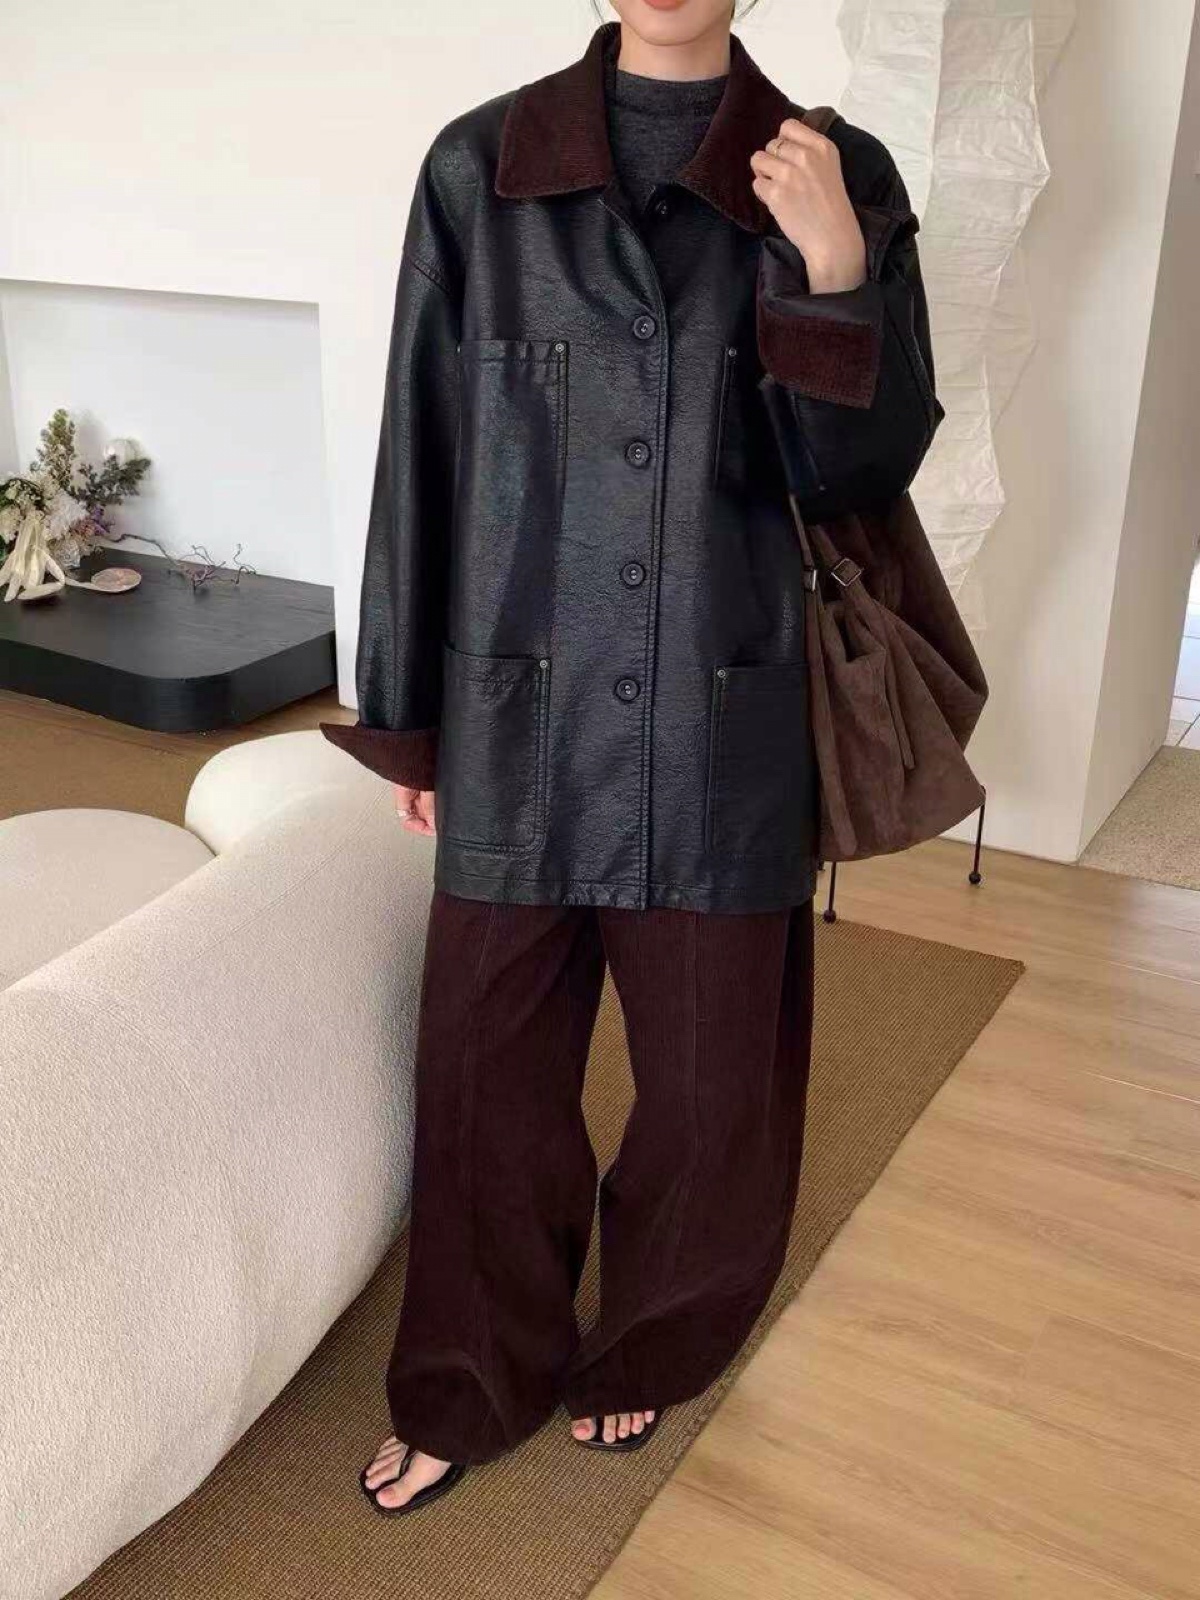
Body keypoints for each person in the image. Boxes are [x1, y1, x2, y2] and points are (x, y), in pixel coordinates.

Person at [320, 0, 941, 1516]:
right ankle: (469, 1375)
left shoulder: (838, 170)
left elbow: (863, 479)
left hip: (726, 706)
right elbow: (421, 445)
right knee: (485, 1072)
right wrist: (408, 713)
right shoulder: (478, 166)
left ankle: (659, 1335)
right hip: (515, 708)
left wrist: (833, 269)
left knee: (715, 1088)